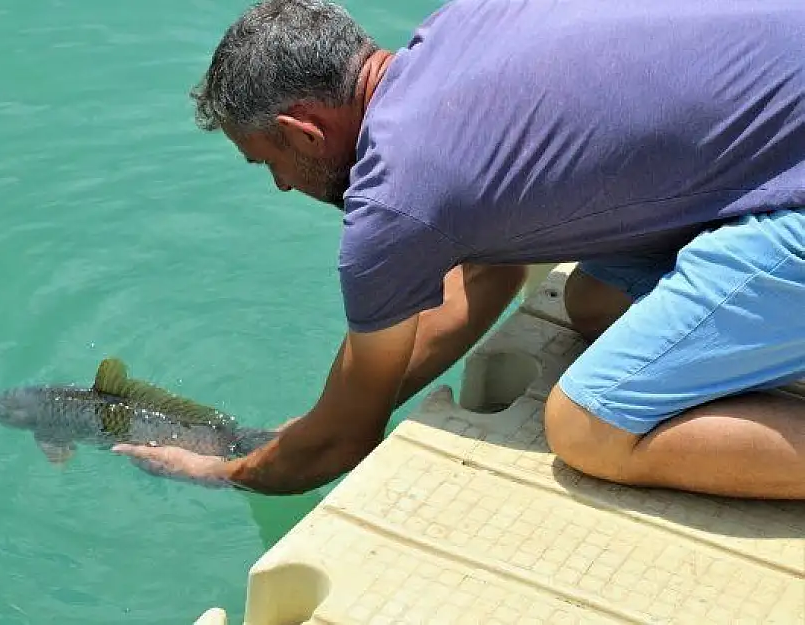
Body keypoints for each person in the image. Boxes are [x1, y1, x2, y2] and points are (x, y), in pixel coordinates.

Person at [112, 0, 805, 499]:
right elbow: (491, 271)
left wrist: (224, 470)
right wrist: (346, 405)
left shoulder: (393, 199)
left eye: (269, 161)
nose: (283, 186)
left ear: (303, 131)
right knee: (595, 303)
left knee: (586, 424)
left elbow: (341, 444)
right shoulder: (459, 28)